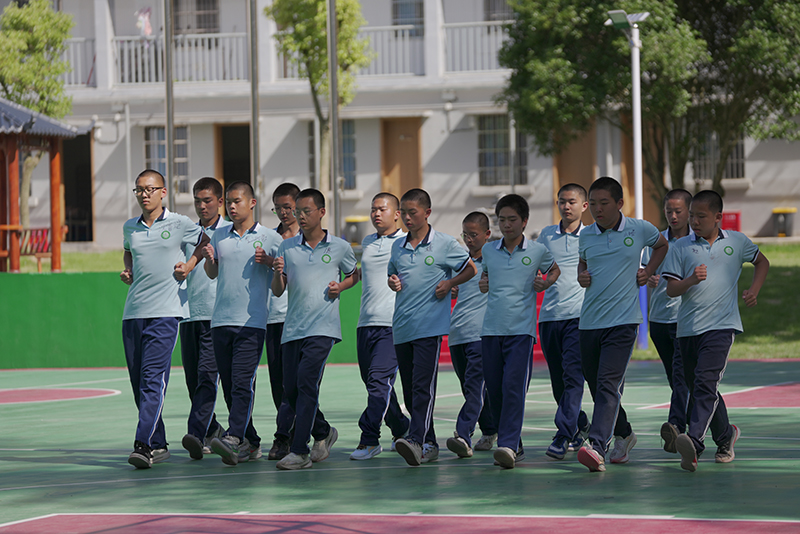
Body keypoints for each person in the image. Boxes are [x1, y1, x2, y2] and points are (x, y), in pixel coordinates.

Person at [663, 190, 769, 472]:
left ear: (718, 217)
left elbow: (762, 261)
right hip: (688, 330)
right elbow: (671, 289)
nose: (694, 221)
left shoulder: (737, 241)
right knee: (700, 387)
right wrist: (690, 280)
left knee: (705, 384)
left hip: (722, 326)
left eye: (701, 216)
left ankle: (694, 441)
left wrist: (754, 290)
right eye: (692, 216)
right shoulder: (680, 246)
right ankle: (725, 437)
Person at [576, 176, 668, 473]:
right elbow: (583, 262)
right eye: (593, 204)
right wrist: (581, 275)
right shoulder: (586, 235)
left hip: (624, 321)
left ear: (619, 203)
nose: (598, 209)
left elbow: (662, 245)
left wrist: (648, 270)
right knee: (597, 385)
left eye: (604, 203)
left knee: (607, 384)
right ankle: (625, 433)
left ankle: (597, 446)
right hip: (589, 321)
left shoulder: (640, 229)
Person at [121, 169, 209, 469]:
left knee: (152, 381)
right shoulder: (130, 227)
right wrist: (129, 270)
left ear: (163, 192)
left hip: (166, 313)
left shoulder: (179, 223)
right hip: (133, 314)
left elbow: (205, 241)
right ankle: (158, 443)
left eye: (149, 189)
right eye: (139, 190)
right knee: (138, 383)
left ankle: (142, 444)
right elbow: (128, 252)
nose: (144, 194)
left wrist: (190, 265)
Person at [271, 188, 358, 470]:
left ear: (321, 212)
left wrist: (340, 286)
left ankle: (300, 451)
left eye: (306, 211)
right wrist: (277, 273)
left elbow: (354, 274)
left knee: (306, 383)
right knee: (291, 390)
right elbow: (278, 290)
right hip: (292, 328)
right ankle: (323, 431)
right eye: (297, 211)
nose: (300, 216)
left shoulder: (340, 247)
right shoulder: (286, 247)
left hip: (323, 327)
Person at [389, 188, 477, 466]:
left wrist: (450, 283)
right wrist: (393, 281)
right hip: (402, 326)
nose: (406, 218)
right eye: (403, 213)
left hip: (429, 327)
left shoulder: (445, 244)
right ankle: (429, 442)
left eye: (412, 213)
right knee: (409, 390)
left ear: (427, 213)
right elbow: (393, 274)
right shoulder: (397, 246)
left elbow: (471, 268)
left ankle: (415, 440)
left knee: (422, 387)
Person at [202, 181, 282, 466]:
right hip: (220, 321)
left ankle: (234, 437)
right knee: (228, 386)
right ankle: (251, 441)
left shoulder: (271, 238)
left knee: (241, 383)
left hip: (252, 322)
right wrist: (210, 260)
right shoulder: (219, 235)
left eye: (237, 201)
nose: (232, 207)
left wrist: (270, 262)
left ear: (252, 203)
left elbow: (281, 281)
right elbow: (212, 273)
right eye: (229, 202)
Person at [479, 193, 560, 469]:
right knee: (494, 391)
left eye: (512, 219)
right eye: (501, 219)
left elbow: (554, 270)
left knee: (513, 387)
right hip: (490, 330)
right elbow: (485, 276)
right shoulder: (489, 250)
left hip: (521, 332)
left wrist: (545, 283)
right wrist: (483, 282)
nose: (506, 224)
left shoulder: (537, 251)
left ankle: (508, 445)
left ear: (524, 221)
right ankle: (515, 442)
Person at [350, 192, 410, 461]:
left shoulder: (406, 243)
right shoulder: (367, 242)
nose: (376, 213)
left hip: (392, 325)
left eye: (382, 209)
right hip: (365, 324)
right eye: (373, 209)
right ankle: (401, 427)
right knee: (376, 385)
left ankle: (369, 439)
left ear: (397, 214)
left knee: (378, 383)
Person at [536, 183, 591, 460]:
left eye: (571, 202)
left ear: (584, 206)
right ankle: (579, 423)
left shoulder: (592, 236)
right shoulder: (546, 235)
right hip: (549, 317)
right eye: (561, 201)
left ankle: (563, 434)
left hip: (579, 316)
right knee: (558, 382)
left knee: (573, 376)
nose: (566, 206)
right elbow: (532, 265)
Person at [180, 177, 231, 460]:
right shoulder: (188, 232)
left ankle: (196, 434)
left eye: (207, 201)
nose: (202, 206)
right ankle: (213, 430)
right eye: (197, 201)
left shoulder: (229, 232)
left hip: (217, 317)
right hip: (188, 316)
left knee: (207, 377)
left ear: (220, 202)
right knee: (192, 381)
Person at [641, 188, 693, 454]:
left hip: (686, 320)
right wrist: (647, 277)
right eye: (668, 211)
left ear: (689, 212)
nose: (673, 216)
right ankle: (719, 429)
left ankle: (676, 427)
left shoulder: (697, 241)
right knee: (677, 380)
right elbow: (642, 270)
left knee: (682, 377)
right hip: (659, 320)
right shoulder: (657, 241)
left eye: (678, 211)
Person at [445, 211, 498, 458]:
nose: (469, 239)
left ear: (487, 234)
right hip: (458, 333)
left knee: (475, 387)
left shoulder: (495, 260)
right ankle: (490, 429)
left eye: (474, 234)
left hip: (481, 335)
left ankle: (462, 435)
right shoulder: (460, 262)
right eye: (465, 234)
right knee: (470, 389)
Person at [265, 182, 301, 461]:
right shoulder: (269, 238)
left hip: (301, 320)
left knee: (299, 383)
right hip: (273, 319)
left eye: (287, 207)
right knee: (278, 384)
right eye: (277, 208)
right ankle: (318, 430)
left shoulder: (309, 239)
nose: (283, 213)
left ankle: (285, 437)